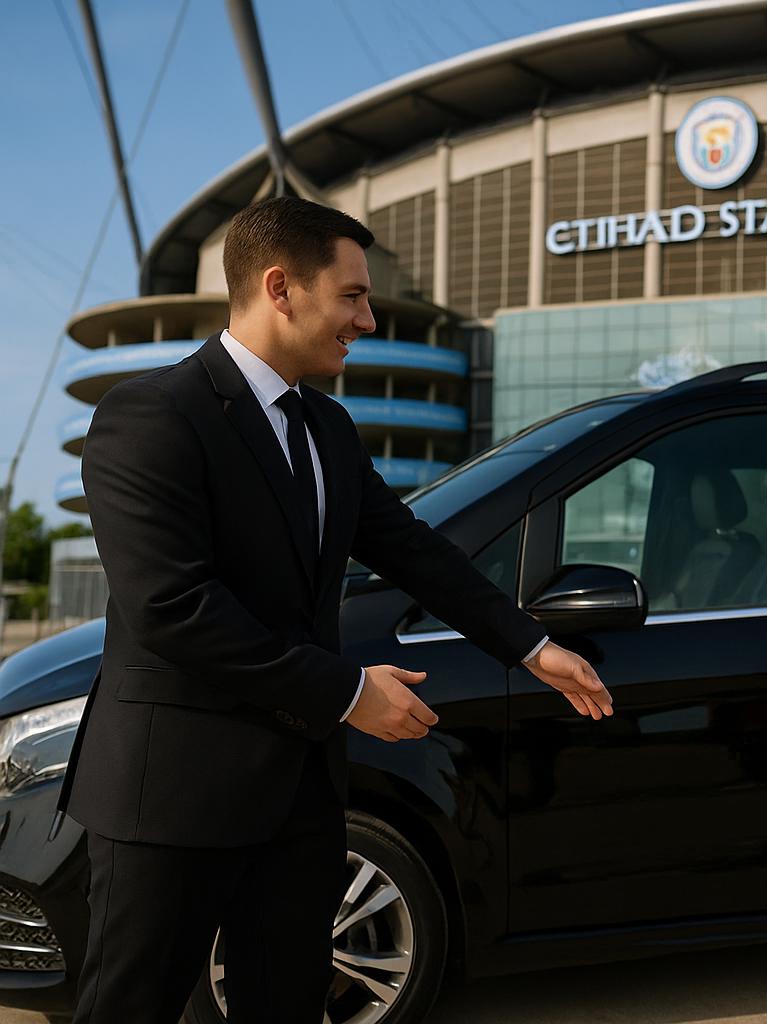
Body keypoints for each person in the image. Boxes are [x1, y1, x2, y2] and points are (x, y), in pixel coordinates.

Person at [61, 195, 614, 1024]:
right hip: (171, 794)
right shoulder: (151, 415)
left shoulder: (328, 427)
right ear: (281, 287)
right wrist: (351, 693)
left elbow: (414, 549)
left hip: (300, 796)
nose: (366, 319)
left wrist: (531, 645)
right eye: (352, 296)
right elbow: (174, 607)